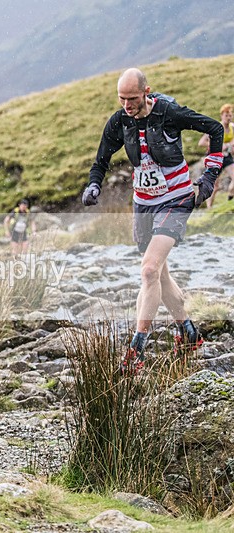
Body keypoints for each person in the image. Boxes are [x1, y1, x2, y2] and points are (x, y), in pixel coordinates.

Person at [81, 68, 223, 375]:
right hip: (143, 203)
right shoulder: (119, 120)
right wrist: (93, 185)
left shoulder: (169, 113)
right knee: (158, 272)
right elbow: (101, 160)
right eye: (122, 99)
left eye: (132, 98)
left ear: (147, 91)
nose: (127, 105)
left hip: (176, 198)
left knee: (148, 270)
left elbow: (214, 129)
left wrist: (210, 175)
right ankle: (189, 333)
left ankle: (137, 349)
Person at [198, 103, 234, 206]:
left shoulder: (232, 127)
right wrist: (218, 145)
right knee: (215, 186)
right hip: (214, 158)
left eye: (230, 115)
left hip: (226, 157)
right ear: (221, 116)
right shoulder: (216, 127)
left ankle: (230, 201)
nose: (228, 118)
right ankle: (209, 208)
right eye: (226, 115)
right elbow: (201, 143)